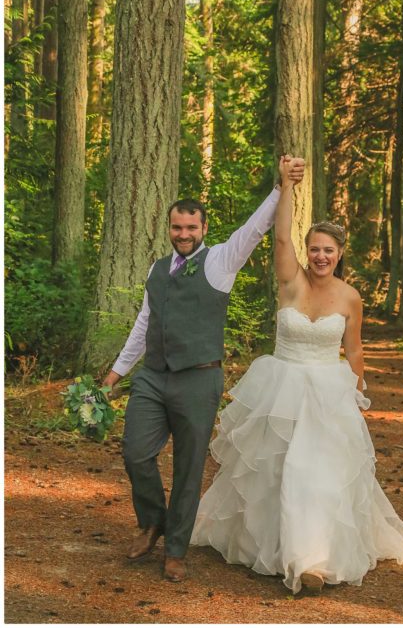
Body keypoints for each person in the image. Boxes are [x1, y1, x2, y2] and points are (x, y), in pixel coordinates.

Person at [191, 155, 403, 593]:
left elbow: (353, 349)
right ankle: (277, 549)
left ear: (339, 255)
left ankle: (313, 561)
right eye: (314, 248)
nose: (320, 256)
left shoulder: (350, 297)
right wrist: (286, 185)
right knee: (277, 470)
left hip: (327, 394)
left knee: (317, 472)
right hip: (282, 388)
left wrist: (356, 398)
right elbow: (280, 238)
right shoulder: (290, 281)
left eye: (328, 250)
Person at [102, 158, 305, 582]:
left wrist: (280, 186)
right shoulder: (157, 268)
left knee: (189, 468)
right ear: (169, 228)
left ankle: (175, 549)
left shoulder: (220, 263)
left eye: (191, 228)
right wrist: (118, 372)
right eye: (177, 228)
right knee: (135, 452)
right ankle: (153, 519)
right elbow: (144, 322)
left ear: (203, 229)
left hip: (199, 378)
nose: (183, 234)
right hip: (154, 378)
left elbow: (254, 229)